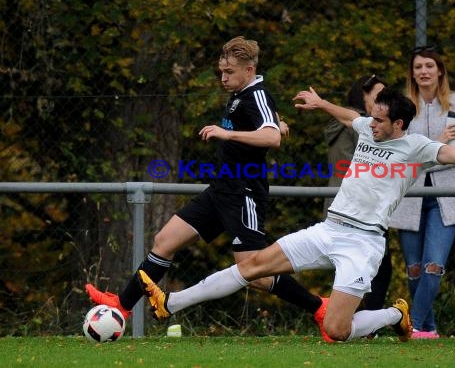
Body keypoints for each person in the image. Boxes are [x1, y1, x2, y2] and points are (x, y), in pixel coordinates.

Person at [136, 87, 455, 343]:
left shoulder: (417, 147)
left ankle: (395, 314)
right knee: (253, 266)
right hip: (329, 229)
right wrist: (320, 103)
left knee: (336, 331)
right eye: (371, 117)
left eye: (379, 120)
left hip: (363, 243)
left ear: (398, 123)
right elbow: (348, 116)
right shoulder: (369, 128)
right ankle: (171, 303)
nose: (370, 124)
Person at [85, 36, 328, 337]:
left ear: (249, 70)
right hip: (220, 190)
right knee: (165, 241)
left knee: (254, 272)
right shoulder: (243, 93)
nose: (223, 78)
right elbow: (266, 125)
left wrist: (237, 133)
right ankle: (122, 305)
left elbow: (271, 138)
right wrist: (276, 122)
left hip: (244, 193)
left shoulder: (256, 94)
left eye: (230, 72)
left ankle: (319, 307)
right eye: (221, 71)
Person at [389, 45, 455, 339]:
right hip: (408, 197)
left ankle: (414, 327)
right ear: (412, 73)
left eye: (429, 66)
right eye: (418, 67)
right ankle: (429, 329)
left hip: (446, 197)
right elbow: (400, 157)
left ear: (440, 71)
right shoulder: (401, 106)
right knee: (413, 269)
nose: (423, 71)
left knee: (433, 265)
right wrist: (437, 145)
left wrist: (422, 155)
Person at [323, 75, 392, 315]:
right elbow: (346, 168)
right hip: (352, 209)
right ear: (361, 96)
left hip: (361, 208)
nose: (384, 101)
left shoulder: (363, 124)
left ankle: (360, 320)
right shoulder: (353, 125)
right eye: (378, 95)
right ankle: (358, 320)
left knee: (375, 267)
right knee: (369, 269)